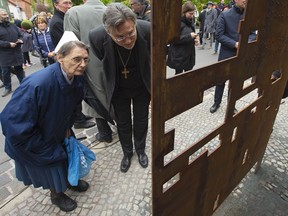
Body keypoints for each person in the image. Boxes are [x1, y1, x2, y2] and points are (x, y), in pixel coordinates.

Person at [0, 41, 90, 212]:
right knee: (52, 164)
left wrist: (67, 127)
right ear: (60, 58)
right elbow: (13, 124)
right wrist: (42, 148)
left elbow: (73, 103)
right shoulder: (38, 84)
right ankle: (56, 195)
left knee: (67, 155)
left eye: (86, 59)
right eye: (77, 59)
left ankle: (71, 180)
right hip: (35, 137)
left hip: (58, 128)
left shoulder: (76, 76)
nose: (83, 64)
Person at [89, 3, 150, 173]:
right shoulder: (96, 37)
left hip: (141, 86)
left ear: (135, 23)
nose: (128, 40)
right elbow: (102, 58)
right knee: (122, 123)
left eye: (131, 33)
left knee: (141, 119)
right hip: (118, 89)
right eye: (120, 37)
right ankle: (127, 153)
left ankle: (140, 150)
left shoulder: (148, 30)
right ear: (108, 32)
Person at [64, 0, 114, 143]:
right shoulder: (111, 9)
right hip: (113, 62)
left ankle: (105, 133)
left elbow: (70, 45)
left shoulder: (73, 12)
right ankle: (121, 128)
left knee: (94, 96)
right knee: (113, 94)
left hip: (88, 64)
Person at [50, 0, 95, 129]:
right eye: (65, 3)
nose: (69, 6)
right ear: (56, 5)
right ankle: (78, 120)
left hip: (71, 61)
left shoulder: (65, 17)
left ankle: (79, 116)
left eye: (70, 3)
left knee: (76, 90)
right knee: (71, 92)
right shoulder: (58, 22)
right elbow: (67, 46)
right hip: (68, 63)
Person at [210, 0, 250, 113]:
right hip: (226, 53)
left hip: (241, 54)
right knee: (220, 80)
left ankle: (231, 104)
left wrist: (246, 43)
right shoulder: (225, 14)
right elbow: (219, 35)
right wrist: (235, 44)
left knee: (235, 81)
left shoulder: (248, 15)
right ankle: (216, 102)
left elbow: (252, 33)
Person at [167, 1, 199, 75]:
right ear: (184, 12)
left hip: (189, 55)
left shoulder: (190, 21)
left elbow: (191, 34)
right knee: (178, 77)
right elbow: (172, 40)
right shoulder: (176, 22)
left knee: (188, 76)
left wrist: (195, 40)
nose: (192, 16)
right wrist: (189, 36)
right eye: (190, 14)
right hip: (179, 57)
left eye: (193, 13)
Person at [0, 9, 25, 97]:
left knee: (19, 69)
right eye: (3, 14)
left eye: (6, 14)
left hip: (16, 52)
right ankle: (7, 87)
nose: (6, 16)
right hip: (5, 53)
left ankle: (24, 84)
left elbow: (21, 35)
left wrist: (20, 40)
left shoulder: (13, 26)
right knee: (5, 71)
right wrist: (8, 44)